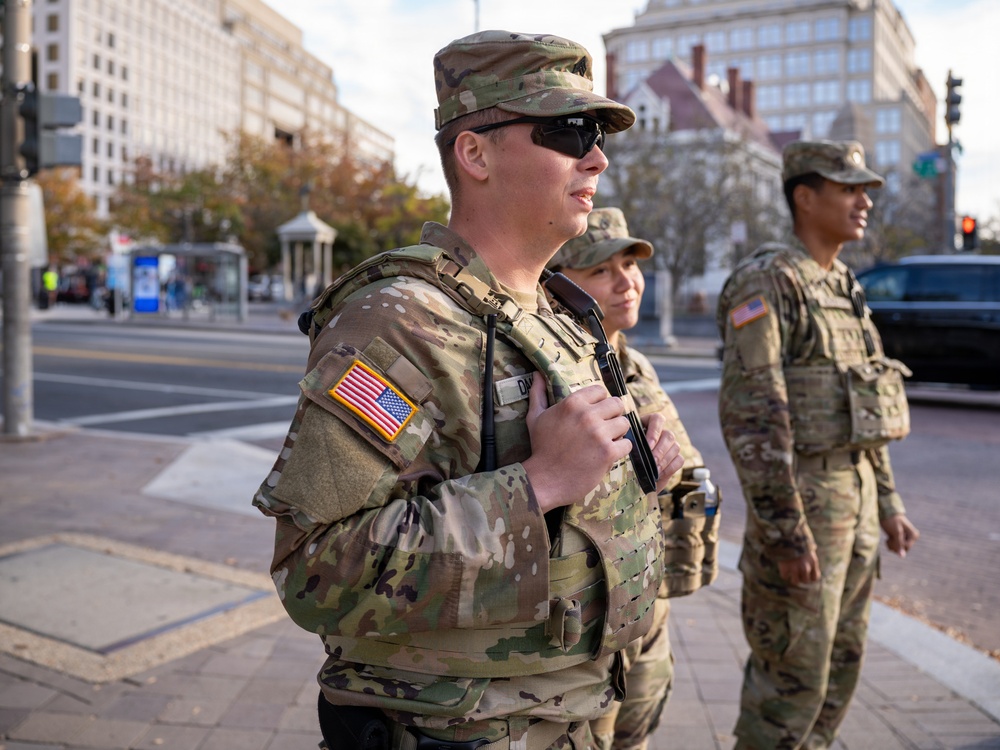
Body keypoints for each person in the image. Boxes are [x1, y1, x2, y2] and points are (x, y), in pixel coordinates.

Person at [253, 30, 686, 750]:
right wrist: (538, 483)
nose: (597, 158)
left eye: (598, 134)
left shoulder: (561, 313)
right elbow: (315, 568)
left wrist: (638, 480)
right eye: (567, 130)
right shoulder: (399, 320)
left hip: (579, 717)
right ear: (475, 153)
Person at [716, 140, 920, 750]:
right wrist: (783, 530)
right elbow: (755, 416)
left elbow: (869, 405)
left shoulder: (844, 286)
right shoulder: (768, 282)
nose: (864, 201)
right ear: (805, 197)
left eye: (866, 190)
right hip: (805, 505)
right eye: (849, 188)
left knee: (840, 668)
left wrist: (888, 503)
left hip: (852, 501)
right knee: (792, 680)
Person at [545, 207, 719, 750]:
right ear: (561, 285)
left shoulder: (633, 363)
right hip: (591, 628)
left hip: (650, 605)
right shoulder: (554, 374)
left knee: (638, 732)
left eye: (630, 264)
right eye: (602, 270)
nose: (627, 281)